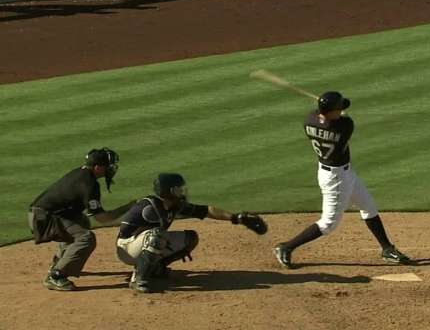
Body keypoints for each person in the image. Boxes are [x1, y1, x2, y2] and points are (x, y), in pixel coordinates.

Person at [274, 91, 411, 268]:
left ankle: (387, 249)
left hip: (339, 173)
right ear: (331, 112)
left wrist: (326, 107)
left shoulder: (309, 120)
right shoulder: (344, 126)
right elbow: (343, 118)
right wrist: (329, 108)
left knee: (368, 206)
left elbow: (320, 115)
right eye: (338, 109)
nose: (341, 111)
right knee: (328, 224)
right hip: (336, 179)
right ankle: (286, 247)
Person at [116, 173, 268, 293]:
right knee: (156, 236)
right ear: (168, 191)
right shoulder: (149, 208)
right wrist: (147, 245)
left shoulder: (173, 205)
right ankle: (139, 278)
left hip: (143, 243)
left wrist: (236, 218)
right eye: (178, 189)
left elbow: (205, 210)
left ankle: (155, 268)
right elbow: (125, 231)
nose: (182, 192)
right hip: (127, 248)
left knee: (190, 238)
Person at [28, 148, 133, 291]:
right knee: (86, 238)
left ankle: (61, 263)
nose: (111, 169)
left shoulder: (82, 173)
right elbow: (102, 218)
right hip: (43, 219)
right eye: (108, 166)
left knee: (81, 221)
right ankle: (56, 276)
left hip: (45, 214)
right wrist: (128, 207)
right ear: (97, 167)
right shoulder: (89, 185)